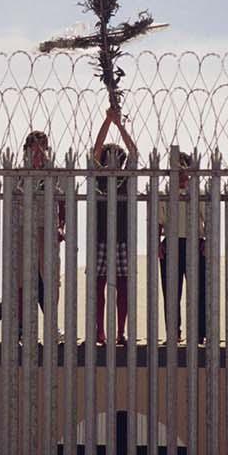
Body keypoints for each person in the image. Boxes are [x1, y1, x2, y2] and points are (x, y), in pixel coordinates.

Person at [89, 107, 138, 345]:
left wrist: (119, 125)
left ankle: (120, 332)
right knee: (98, 287)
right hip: (100, 237)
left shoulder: (125, 179)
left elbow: (134, 152)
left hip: (122, 238)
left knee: (124, 286)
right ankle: (101, 331)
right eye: (107, 159)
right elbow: (95, 151)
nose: (111, 162)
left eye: (115, 159)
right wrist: (107, 120)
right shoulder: (98, 178)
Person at [10, 130, 66, 334]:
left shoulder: (53, 173)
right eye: (35, 146)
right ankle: (21, 326)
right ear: (26, 149)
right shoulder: (18, 173)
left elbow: (63, 201)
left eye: (43, 146)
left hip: (46, 227)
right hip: (23, 228)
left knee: (50, 279)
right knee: (22, 280)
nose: (39, 150)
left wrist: (61, 225)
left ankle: (52, 324)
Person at [157, 152, 209, 344]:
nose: (180, 175)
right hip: (171, 243)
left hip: (196, 242)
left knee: (199, 291)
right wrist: (157, 244)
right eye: (175, 170)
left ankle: (199, 333)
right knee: (171, 292)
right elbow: (158, 222)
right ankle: (174, 333)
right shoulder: (165, 195)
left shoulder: (198, 194)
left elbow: (208, 220)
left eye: (182, 169)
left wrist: (208, 242)